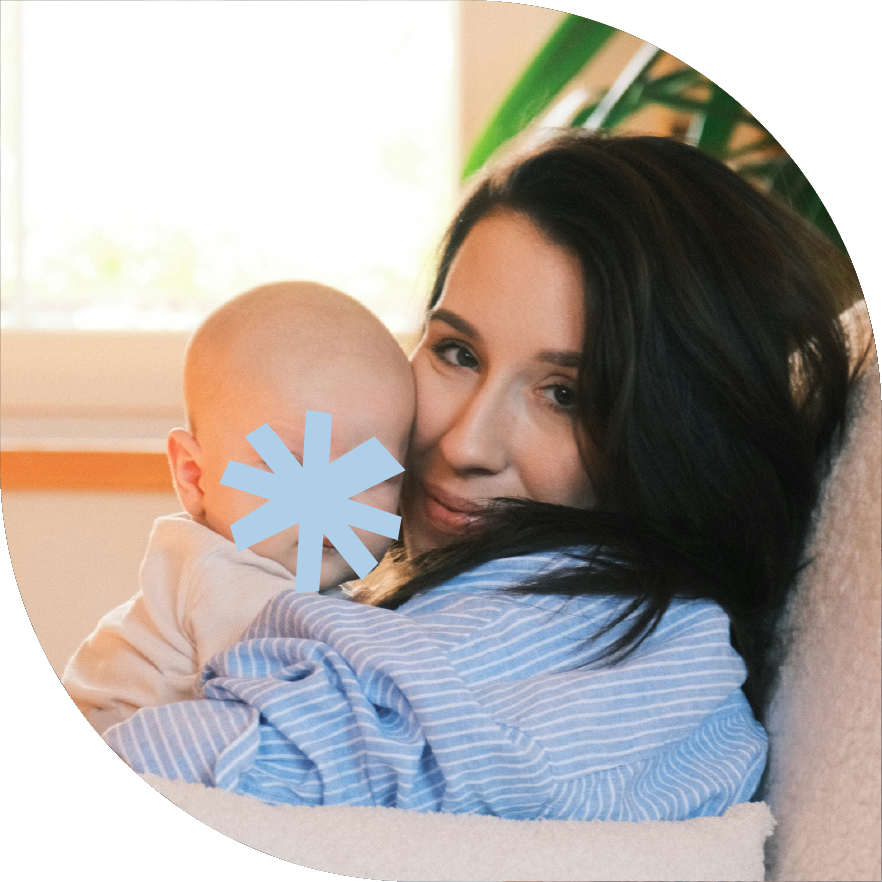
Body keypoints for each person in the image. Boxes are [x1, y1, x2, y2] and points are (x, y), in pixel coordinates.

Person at [102, 132, 866, 822]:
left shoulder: (611, 645)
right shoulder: (411, 595)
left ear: (680, 435)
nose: (467, 443)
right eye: (457, 353)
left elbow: (178, 779)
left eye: (566, 396)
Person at [62, 282, 415, 735]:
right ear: (194, 475)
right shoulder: (222, 573)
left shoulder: (295, 574)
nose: (333, 503)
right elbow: (303, 695)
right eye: (291, 465)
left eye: (367, 476)